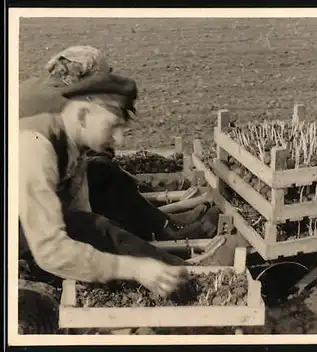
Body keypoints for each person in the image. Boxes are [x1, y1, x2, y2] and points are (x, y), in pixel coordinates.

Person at [19, 72, 195, 297]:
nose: (119, 139)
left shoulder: (71, 142)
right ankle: (183, 275)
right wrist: (134, 268)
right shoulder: (34, 145)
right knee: (93, 229)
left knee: (95, 218)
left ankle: (177, 266)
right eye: (113, 126)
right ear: (83, 115)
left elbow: (80, 215)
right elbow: (50, 250)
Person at [19, 45, 220, 241]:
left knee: (101, 171)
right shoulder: (66, 103)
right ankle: (165, 230)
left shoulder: (31, 87)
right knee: (103, 174)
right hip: (32, 202)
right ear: (86, 78)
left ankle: (161, 222)